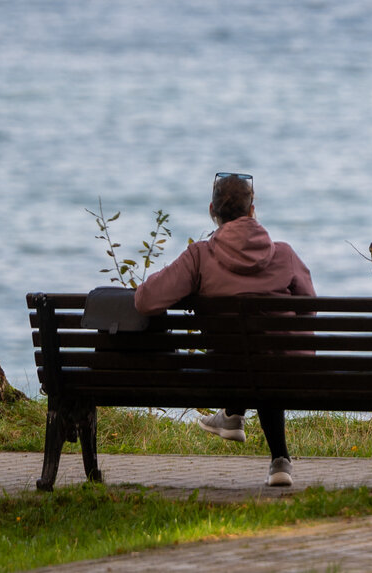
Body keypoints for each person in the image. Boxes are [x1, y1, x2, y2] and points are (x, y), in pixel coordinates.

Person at [134, 172, 316, 486]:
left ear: (212, 211)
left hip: (225, 369)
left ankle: (233, 416)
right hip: (283, 370)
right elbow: (310, 310)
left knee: (248, 356)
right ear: (252, 210)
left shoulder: (199, 256)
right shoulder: (284, 254)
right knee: (266, 355)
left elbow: (145, 301)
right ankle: (279, 460)